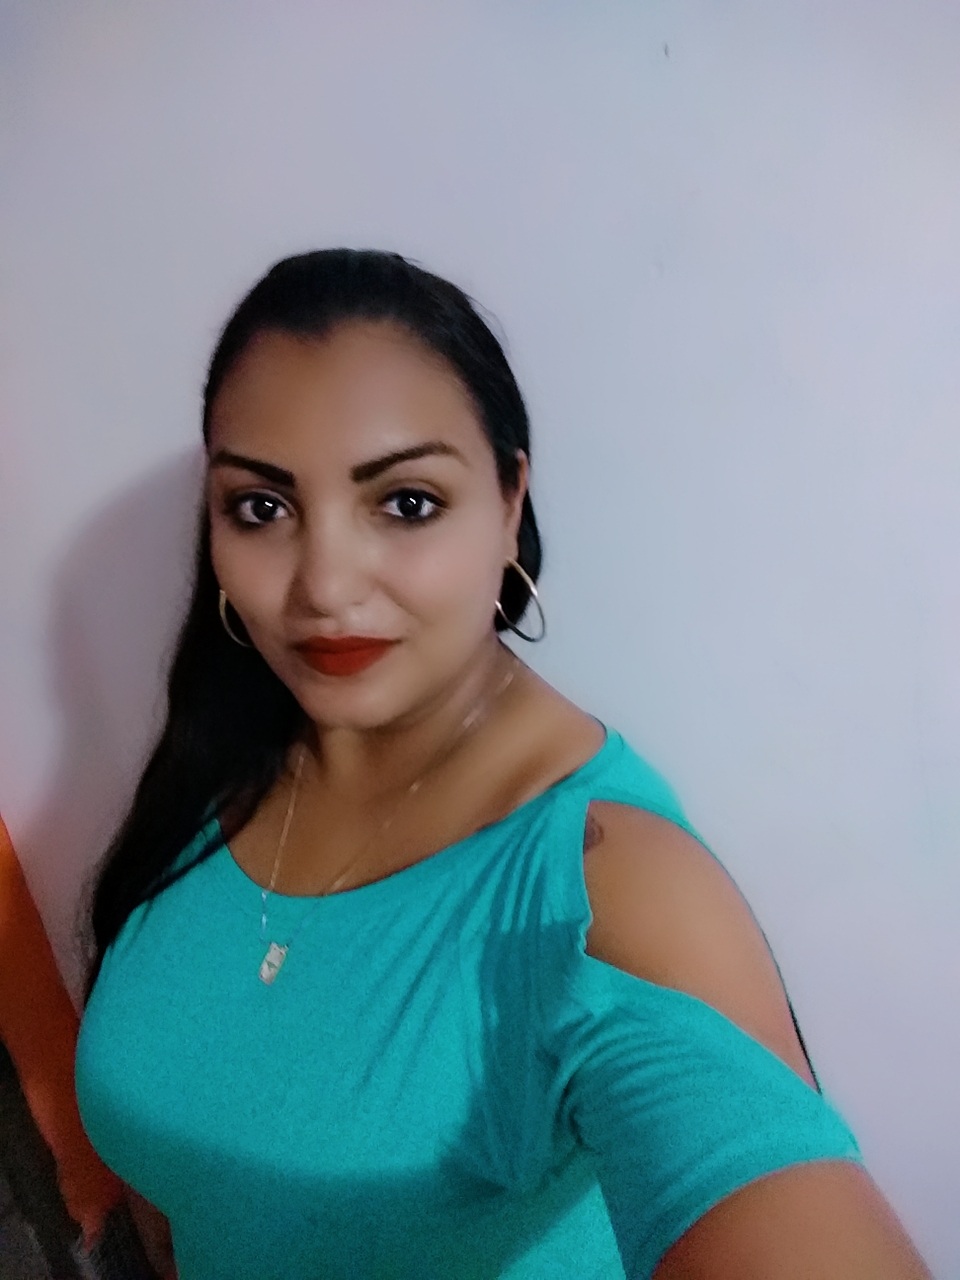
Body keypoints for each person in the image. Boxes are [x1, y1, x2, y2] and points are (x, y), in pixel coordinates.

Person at [75, 249, 929, 1279]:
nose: (325, 587)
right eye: (262, 507)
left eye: (406, 502)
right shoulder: (226, 756)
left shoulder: (611, 885)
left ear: (510, 499)